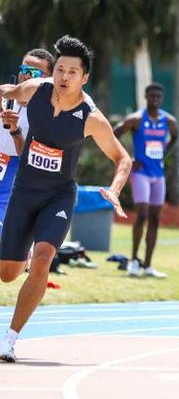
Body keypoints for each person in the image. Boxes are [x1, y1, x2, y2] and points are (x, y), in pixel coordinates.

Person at [0, 35, 132, 363]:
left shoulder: (91, 117)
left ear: (84, 77)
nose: (64, 76)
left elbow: (123, 159)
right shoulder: (37, 90)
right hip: (24, 192)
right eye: (60, 69)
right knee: (6, 273)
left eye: (73, 72)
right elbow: (10, 92)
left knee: (45, 257)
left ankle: (10, 338)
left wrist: (114, 190)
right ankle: (24, 254)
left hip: (58, 196)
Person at [114, 83, 177, 278]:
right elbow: (113, 135)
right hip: (140, 173)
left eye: (158, 96)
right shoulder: (136, 119)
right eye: (152, 96)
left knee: (156, 219)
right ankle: (134, 261)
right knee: (141, 214)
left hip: (158, 175)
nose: (155, 99)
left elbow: (175, 137)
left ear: (162, 98)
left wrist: (163, 154)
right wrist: (127, 158)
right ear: (146, 97)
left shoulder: (169, 121)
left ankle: (148, 265)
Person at [0, 49, 55, 236]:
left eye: (34, 73)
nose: (26, 76)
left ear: (48, 79)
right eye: (24, 69)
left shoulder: (47, 112)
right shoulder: (5, 94)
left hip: (18, 171)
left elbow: (28, 158)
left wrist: (15, 130)